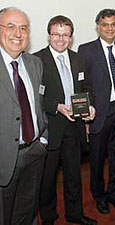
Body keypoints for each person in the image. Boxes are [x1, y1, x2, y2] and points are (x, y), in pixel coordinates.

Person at [34, 15, 96, 225]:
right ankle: (49, 218)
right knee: (47, 180)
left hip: (74, 128)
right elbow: (35, 96)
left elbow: (86, 88)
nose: (60, 39)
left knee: (74, 177)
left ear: (71, 37)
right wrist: (57, 107)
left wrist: (90, 107)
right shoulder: (36, 60)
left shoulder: (79, 59)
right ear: (49, 35)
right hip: (50, 129)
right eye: (56, 34)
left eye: (65, 35)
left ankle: (75, 214)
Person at [78, 9, 115, 214]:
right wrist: (84, 115)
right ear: (98, 27)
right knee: (98, 160)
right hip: (98, 114)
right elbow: (81, 85)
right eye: (105, 24)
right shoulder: (86, 50)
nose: (110, 28)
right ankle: (99, 196)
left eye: (113, 24)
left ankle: (114, 194)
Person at [0, 7, 48, 225]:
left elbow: (38, 105)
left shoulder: (34, 63)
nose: (17, 34)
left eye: (23, 28)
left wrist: (43, 139)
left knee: (27, 213)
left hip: (35, 152)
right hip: (4, 160)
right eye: (10, 26)